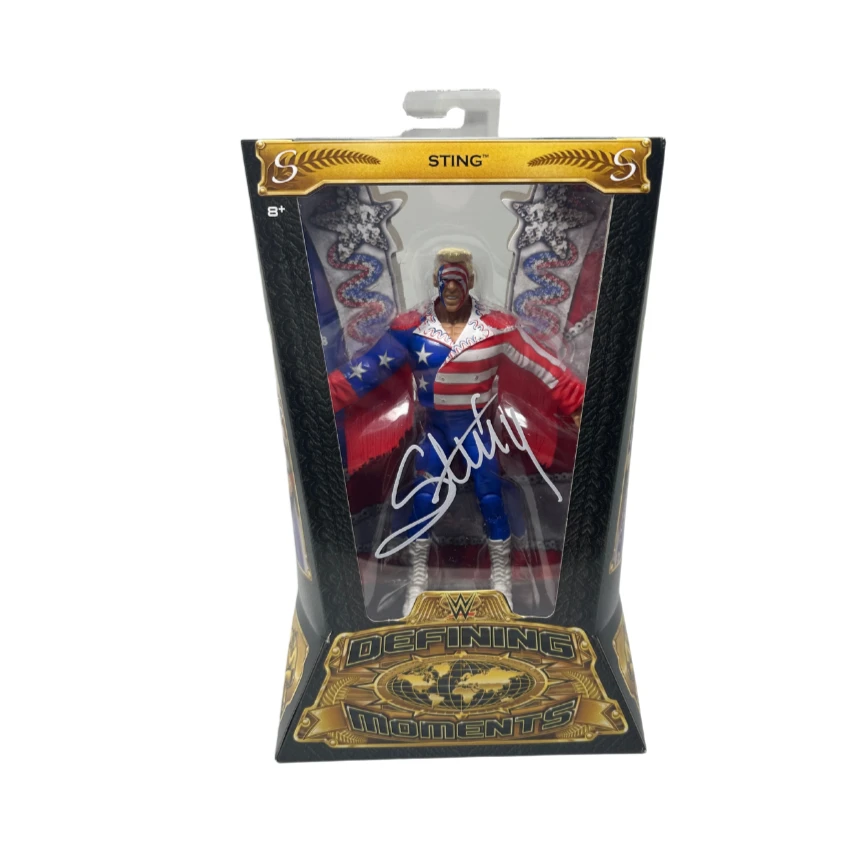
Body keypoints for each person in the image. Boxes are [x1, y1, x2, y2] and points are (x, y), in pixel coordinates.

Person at [327, 248, 584, 615]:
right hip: (435, 429)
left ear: (470, 282)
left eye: (457, 281)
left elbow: (543, 365)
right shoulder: (412, 328)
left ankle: (501, 581)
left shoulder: (496, 327)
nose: (450, 289)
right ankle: (417, 581)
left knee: (490, 496)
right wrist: (325, 397)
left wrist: (579, 403)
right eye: (445, 281)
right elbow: (366, 370)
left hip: (478, 428)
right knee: (423, 498)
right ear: (436, 281)